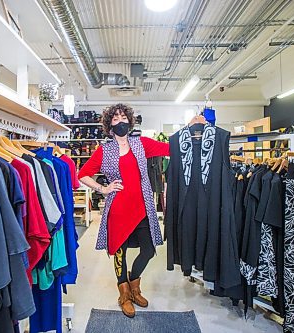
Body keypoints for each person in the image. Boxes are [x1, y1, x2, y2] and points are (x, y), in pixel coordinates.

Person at [78, 103, 204, 318]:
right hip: (117, 210)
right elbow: (82, 174)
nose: (120, 122)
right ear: (109, 126)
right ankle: (125, 294)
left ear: (130, 121)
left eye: (123, 118)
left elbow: (170, 147)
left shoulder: (141, 144)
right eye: (115, 119)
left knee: (148, 250)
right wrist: (103, 188)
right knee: (120, 253)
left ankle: (134, 283)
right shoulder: (104, 150)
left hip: (141, 208)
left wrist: (188, 127)